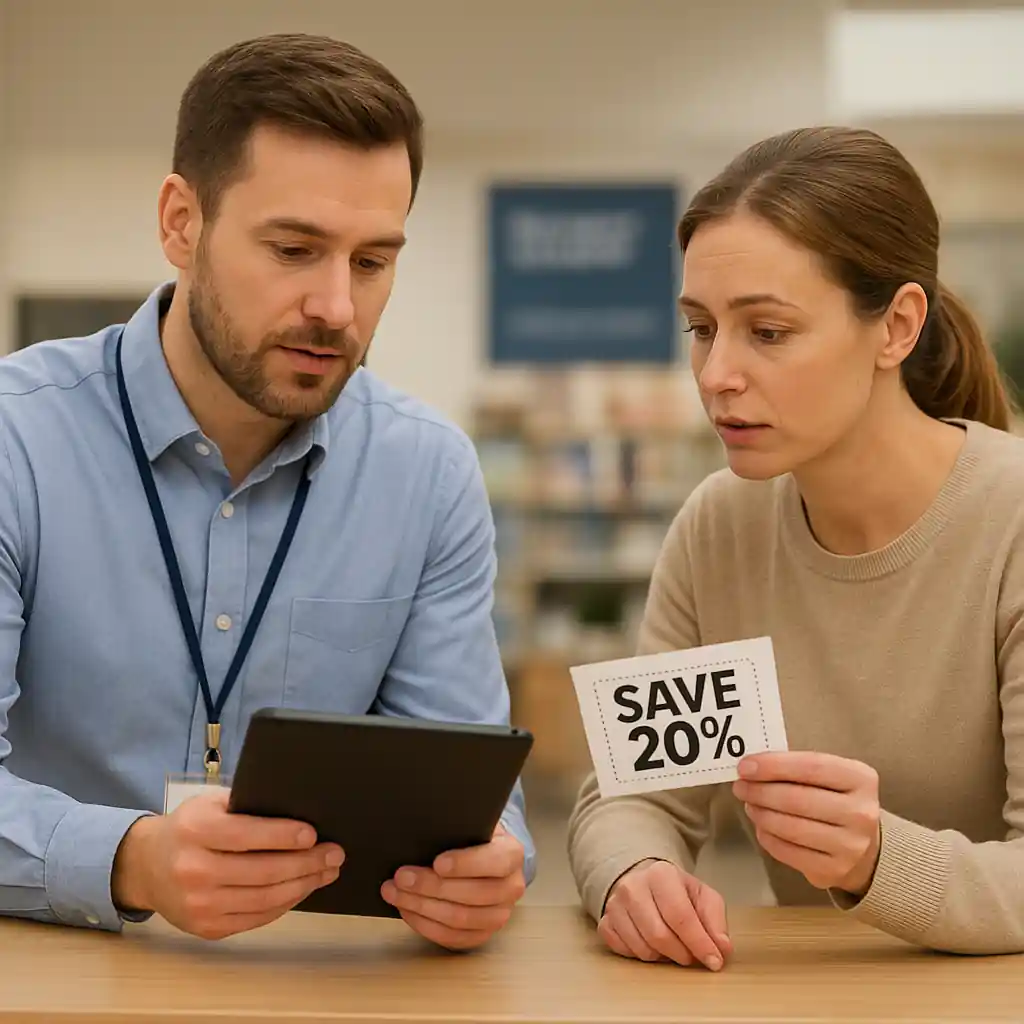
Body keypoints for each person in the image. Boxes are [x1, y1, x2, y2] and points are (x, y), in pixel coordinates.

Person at [0, 33, 533, 950]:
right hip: (51, 972)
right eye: (294, 249)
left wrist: (491, 866)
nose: (337, 306)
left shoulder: (427, 471)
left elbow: (475, 788)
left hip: (316, 984)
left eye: (372, 262)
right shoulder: (18, 440)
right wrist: (131, 857)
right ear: (181, 222)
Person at [567, 125, 1024, 969]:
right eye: (700, 329)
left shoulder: (1012, 523)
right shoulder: (719, 528)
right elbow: (634, 797)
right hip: (807, 998)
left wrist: (877, 858)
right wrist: (634, 871)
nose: (715, 375)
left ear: (897, 328)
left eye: (768, 333)